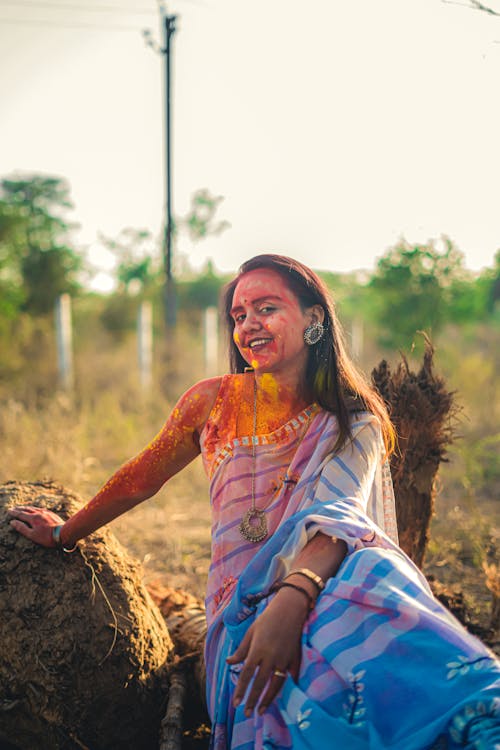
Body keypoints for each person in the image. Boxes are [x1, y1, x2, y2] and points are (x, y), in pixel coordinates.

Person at [8, 254, 499, 749]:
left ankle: (477, 720)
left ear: (314, 319)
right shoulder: (211, 403)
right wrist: (62, 533)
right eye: (238, 316)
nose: (248, 325)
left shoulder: (355, 422)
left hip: (326, 590)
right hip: (242, 610)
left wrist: (291, 602)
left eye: (266, 308)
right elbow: (140, 479)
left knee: (372, 572)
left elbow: (339, 523)